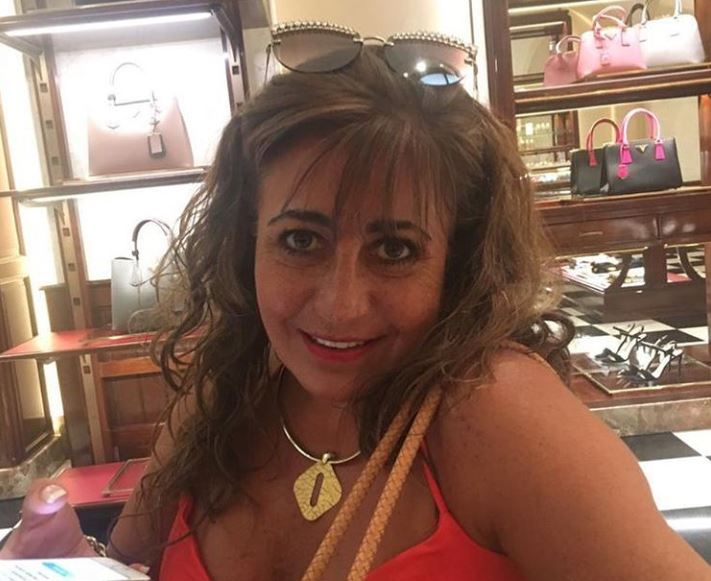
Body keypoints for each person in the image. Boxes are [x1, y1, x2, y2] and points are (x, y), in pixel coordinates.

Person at [2, 23, 711, 580]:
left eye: (395, 250)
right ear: (246, 240)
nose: (341, 306)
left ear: (457, 259)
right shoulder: (227, 392)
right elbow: (128, 563)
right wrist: (66, 562)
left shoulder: (494, 412)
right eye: (300, 241)